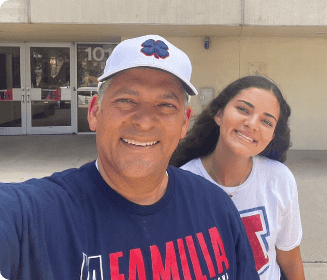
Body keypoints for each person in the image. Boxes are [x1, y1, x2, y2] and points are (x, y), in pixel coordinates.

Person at [0, 35, 259, 280]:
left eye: (166, 105)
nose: (145, 122)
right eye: (126, 100)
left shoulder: (215, 207)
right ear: (94, 112)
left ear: (184, 123)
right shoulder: (36, 216)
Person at [170, 75, 305, 280]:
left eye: (267, 121)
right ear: (219, 114)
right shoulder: (180, 183)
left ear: (272, 137)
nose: (252, 124)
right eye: (243, 109)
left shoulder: (279, 179)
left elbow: (290, 258)